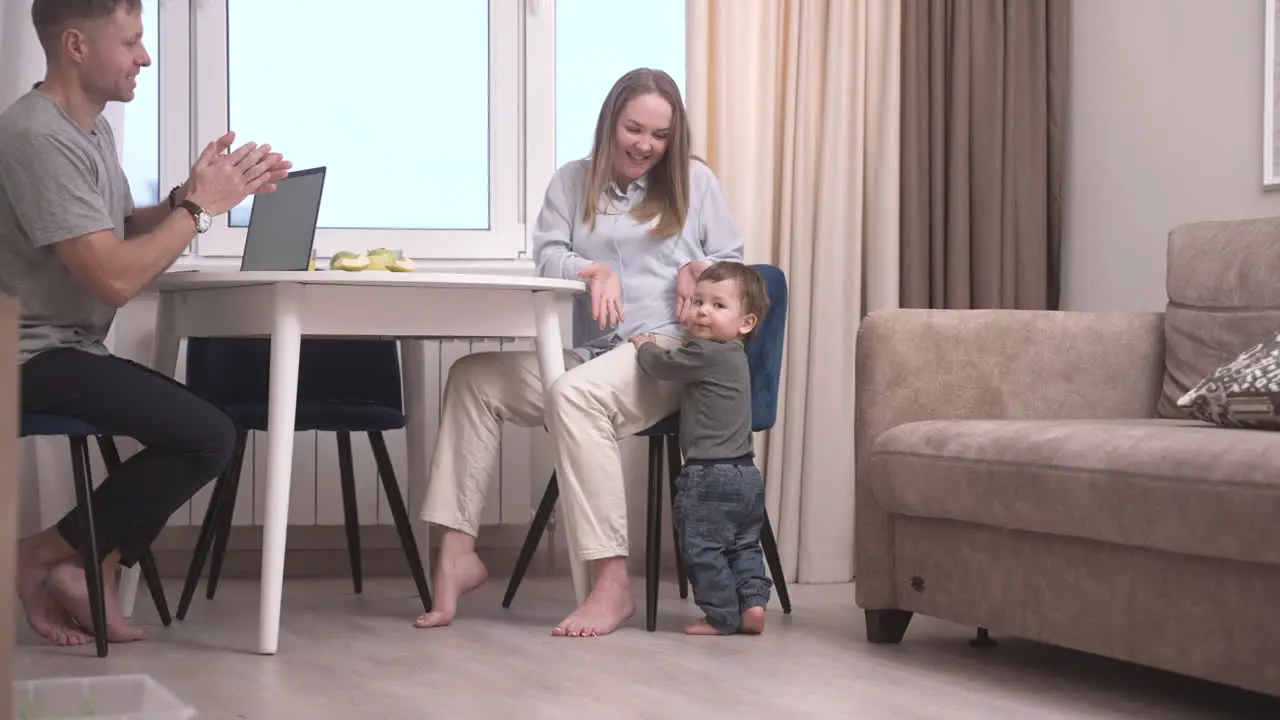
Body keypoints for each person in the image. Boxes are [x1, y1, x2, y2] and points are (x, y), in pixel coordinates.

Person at [416, 67, 744, 637]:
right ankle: (457, 553)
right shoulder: (573, 182)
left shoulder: (695, 183)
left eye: (659, 135)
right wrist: (591, 269)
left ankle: (611, 581)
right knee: (473, 377)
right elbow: (547, 255)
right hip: (594, 353)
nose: (645, 145)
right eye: (633, 128)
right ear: (610, 123)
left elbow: (737, 270)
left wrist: (701, 269)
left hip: (665, 352)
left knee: (574, 396)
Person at [2, 0, 290, 647]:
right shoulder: (33, 137)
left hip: (68, 349)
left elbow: (113, 229)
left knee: (209, 430)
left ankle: (86, 563)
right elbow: (114, 278)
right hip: (25, 354)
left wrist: (184, 196)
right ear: (76, 46)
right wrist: (196, 209)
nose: (146, 58)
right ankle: (43, 556)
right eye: (132, 42)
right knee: (210, 436)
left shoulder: (90, 131)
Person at [629, 261, 772, 636]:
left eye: (718, 306)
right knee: (743, 545)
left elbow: (663, 365)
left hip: (708, 476)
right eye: (697, 302)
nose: (703, 311)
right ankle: (753, 603)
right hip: (746, 475)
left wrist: (644, 348)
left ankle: (720, 615)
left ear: (746, 323)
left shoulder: (708, 353)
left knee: (703, 548)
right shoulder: (736, 357)